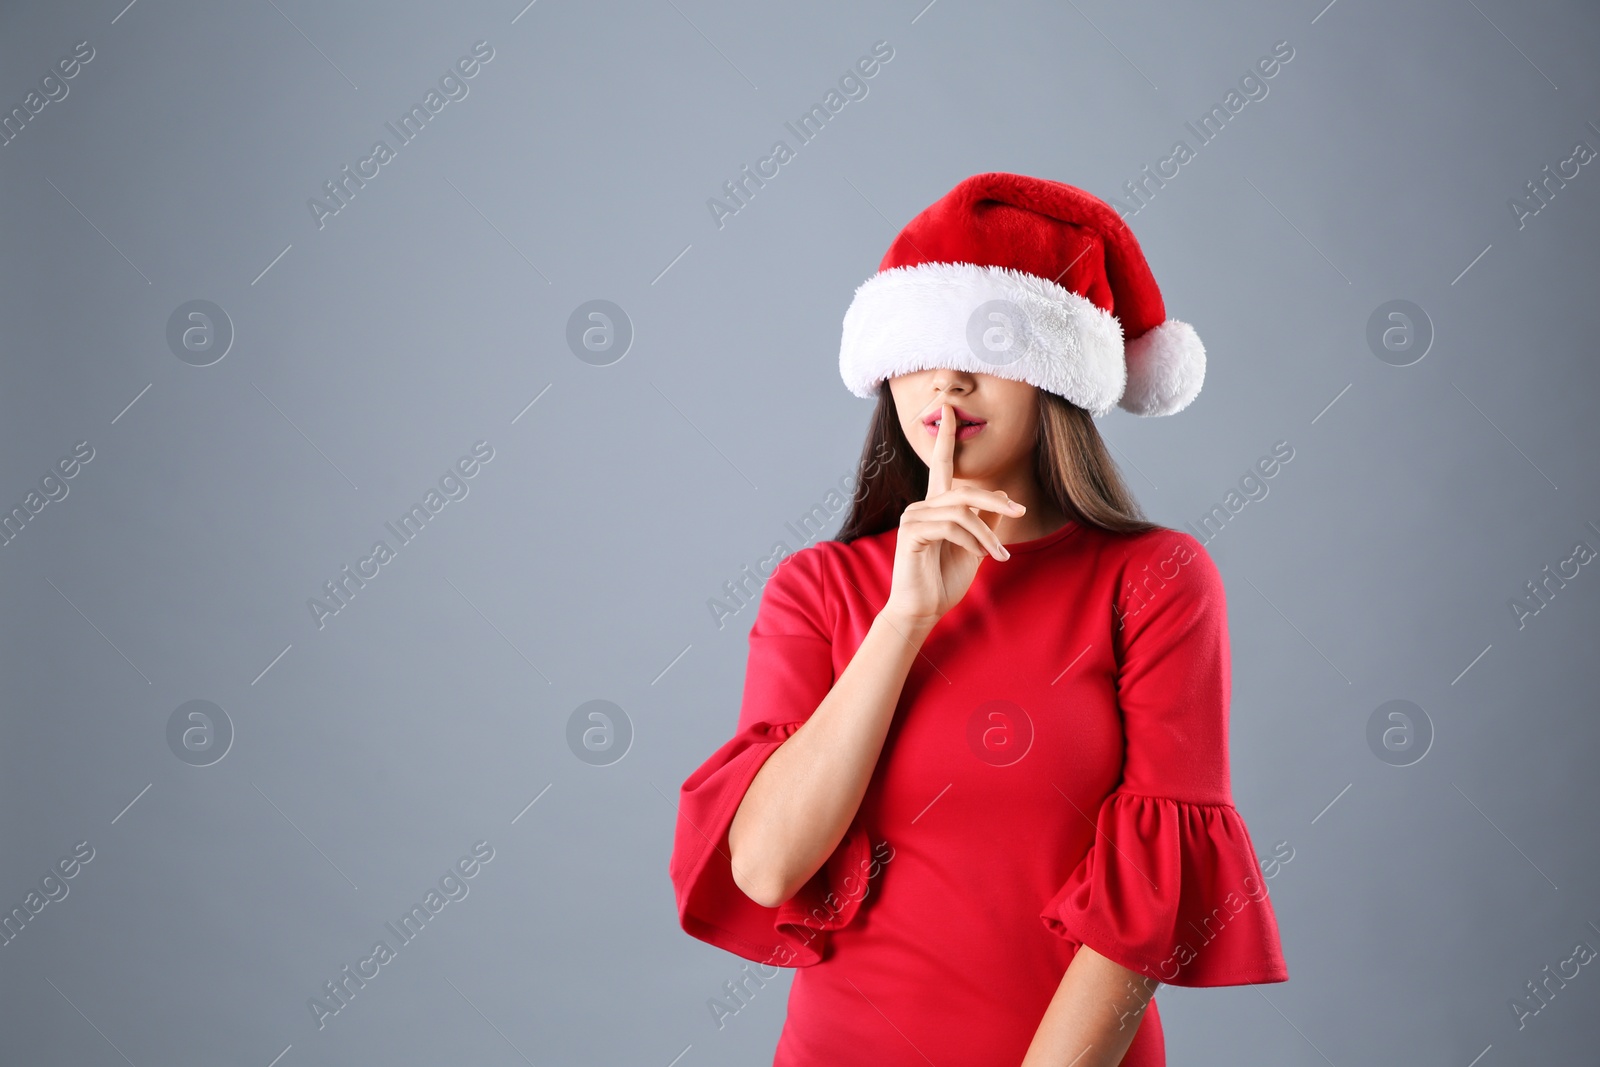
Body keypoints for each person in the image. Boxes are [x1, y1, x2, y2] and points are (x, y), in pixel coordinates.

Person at [668, 172, 1288, 1066]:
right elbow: (766, 867)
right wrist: (904, 619)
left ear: (1055, 379)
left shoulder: (1155, 580)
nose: (950, 377)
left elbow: (1143, 913)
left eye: (990, 347)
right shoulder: (818, 588)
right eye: (923, 347)